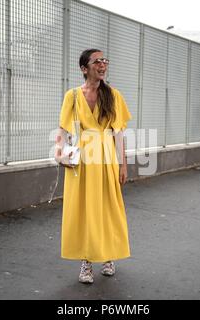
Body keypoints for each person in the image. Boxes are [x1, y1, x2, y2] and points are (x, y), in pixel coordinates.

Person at [54, 49, 132, 284]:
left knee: (108, 208)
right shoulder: (73, 96)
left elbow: (118, 133)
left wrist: (123, 164)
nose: (102, 64)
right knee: (84, 210)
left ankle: (108, 256)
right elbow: (64, 130)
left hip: (107, 157)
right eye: (97, 61)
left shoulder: (114, 95)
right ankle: (86, 262)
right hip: (83, 160)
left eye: (105, 60)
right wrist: (60, 154)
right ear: (84, 68)